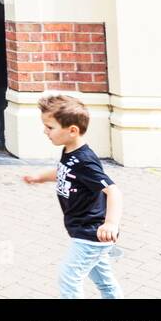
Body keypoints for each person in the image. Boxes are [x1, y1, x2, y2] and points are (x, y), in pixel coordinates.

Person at [22, 94, 123, 299]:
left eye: (50, 127)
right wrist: (40, 177)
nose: (45, 131)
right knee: (104, 281)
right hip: (84, 231)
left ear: (72, 131)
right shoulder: (70, 152)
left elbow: (113, 191)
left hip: (92, 233)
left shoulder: (85, 161)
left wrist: (110, 224)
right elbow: (64, 171)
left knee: (69, 277)